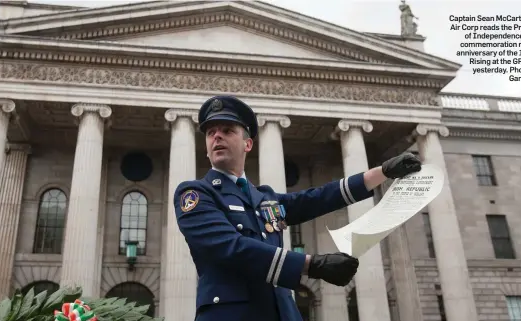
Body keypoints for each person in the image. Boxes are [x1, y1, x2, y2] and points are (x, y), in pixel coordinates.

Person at [173, 95, 422, 321]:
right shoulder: (195, 194)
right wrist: (311, 264)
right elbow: (230, 247)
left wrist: (382, 172)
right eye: (210, 133)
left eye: (227, 130)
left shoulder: (264, 198)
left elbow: (315, 199)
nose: (217, 136)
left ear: (247, 144)